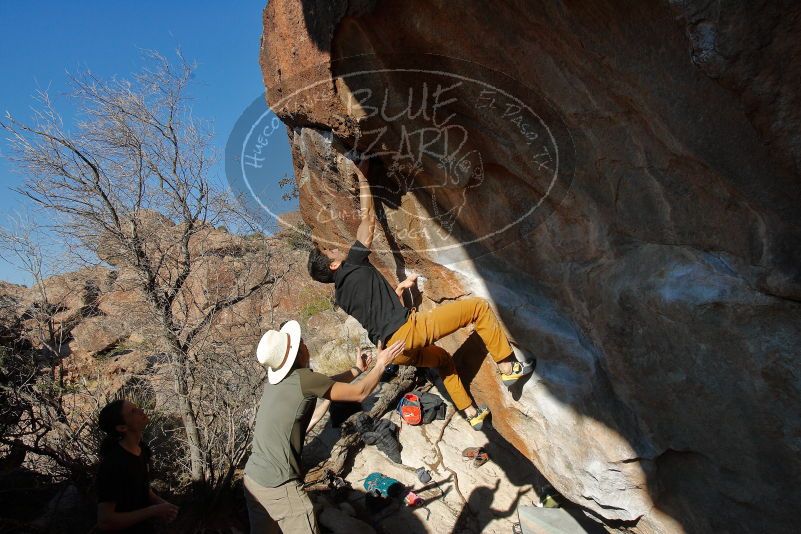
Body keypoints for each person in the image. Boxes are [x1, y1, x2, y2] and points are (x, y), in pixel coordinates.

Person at [307, 155, 535, 431]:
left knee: (442, 360)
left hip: (394, 350)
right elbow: (367, 220)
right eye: (329, 251)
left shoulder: (342, 297)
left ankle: (472, 413)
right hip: (409, 331)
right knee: (478, 308)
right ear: (333, 264)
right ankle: (509, 368)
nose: (333, 247)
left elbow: (375, 307)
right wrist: (364, 177)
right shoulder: (352, 262)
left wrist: (398, 291)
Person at [244, 320, 404, 533]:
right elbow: (360, 393)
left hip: (253, 480)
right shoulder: (303, 379)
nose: (305, 344)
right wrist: (381, 364)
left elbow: (325, 383)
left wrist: (356, 370)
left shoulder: (278, 384)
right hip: (279, 486)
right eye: (301, 342)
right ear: (297, 351)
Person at [96, 399, 179, 533]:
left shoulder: (142, 449)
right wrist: (153, 511)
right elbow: (105, 521)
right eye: (133, 411)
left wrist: (162, 505)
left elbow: (143, 489)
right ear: (122, 427)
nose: (141, 411)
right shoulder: (113, 465)